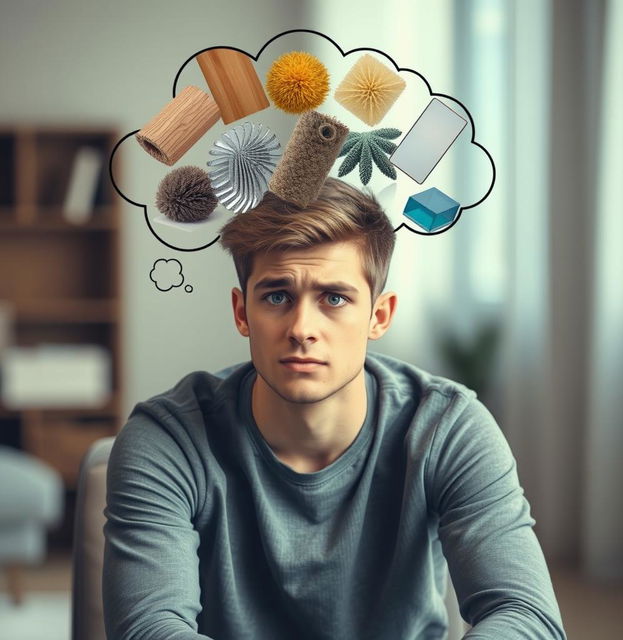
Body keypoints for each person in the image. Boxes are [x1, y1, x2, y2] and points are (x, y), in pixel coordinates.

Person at [102, 177, 567, 639]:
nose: (302, 328)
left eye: (334, 298)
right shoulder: (167, 439)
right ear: (242, 312)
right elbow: (149, 629)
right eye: (277, 296)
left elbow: (526, 614)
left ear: (378, 316)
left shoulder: (448, 427)